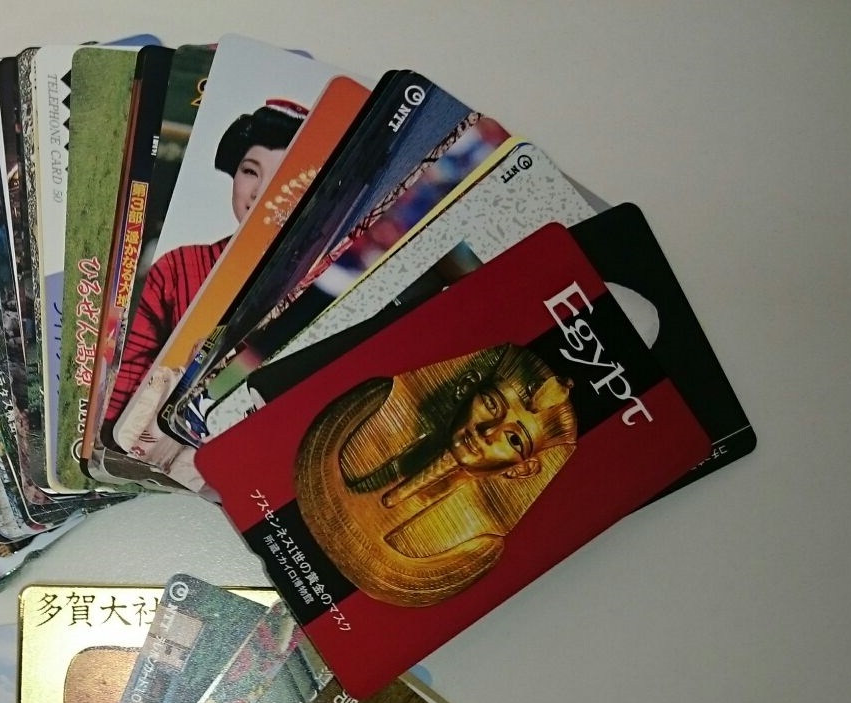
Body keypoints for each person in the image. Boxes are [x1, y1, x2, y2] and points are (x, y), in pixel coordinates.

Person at [104, 100, 308, 484]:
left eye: (283, 175)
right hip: (153, 447)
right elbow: (125, 380)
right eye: (250, 171)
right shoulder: (178, 268)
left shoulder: (318, 281)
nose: (260, 191)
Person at [296, 346, 581, 605]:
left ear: (523, 469)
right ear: (466, 386)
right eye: (492, 405)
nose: (487, 432)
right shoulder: (365, 417)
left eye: (514, 440)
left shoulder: (471, 550)